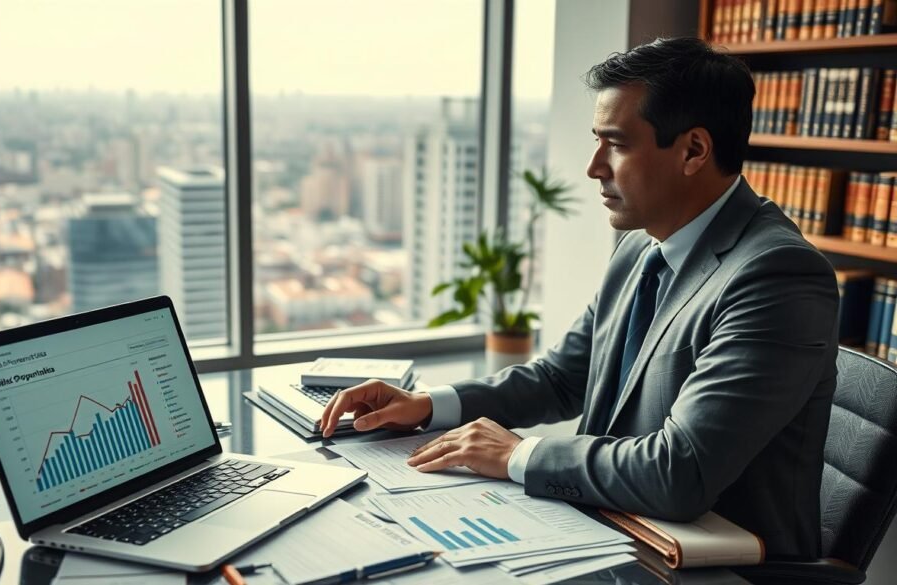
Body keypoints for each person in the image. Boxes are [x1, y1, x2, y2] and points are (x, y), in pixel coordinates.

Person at [320, 37, 838, 559]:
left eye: (616, 144)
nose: (594, 167)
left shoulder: (777, 275)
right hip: (606, 527)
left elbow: (681, 473)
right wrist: (430, 405)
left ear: (694, 151)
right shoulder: (641, 245)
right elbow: (562, 377)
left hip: (711, 564)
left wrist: (520, 455)